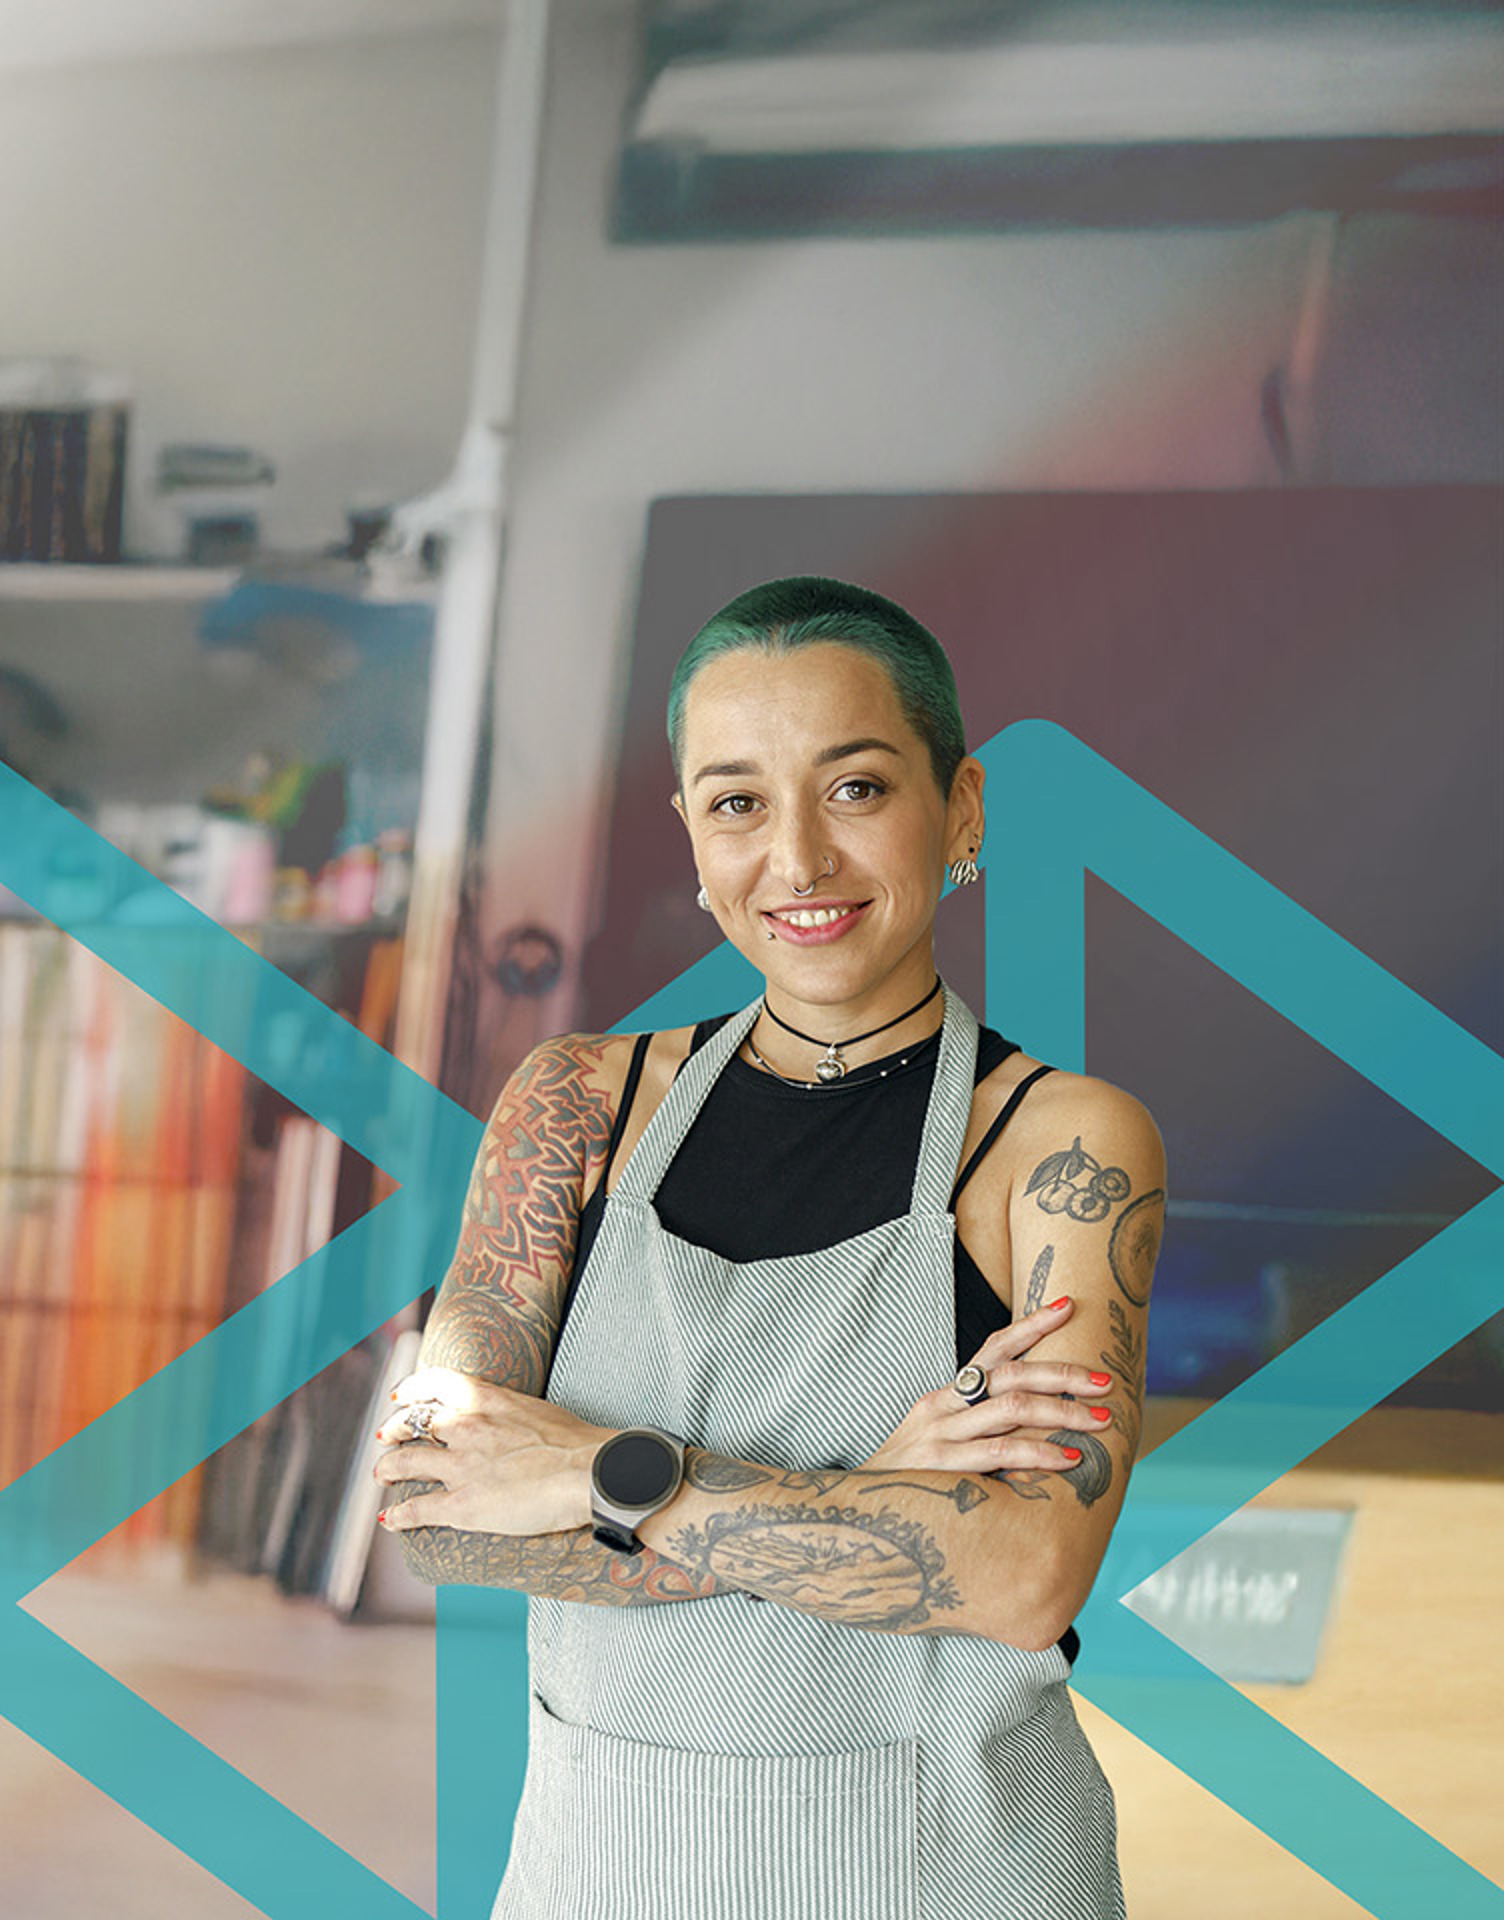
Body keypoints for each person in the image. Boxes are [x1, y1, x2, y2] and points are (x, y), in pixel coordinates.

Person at [373, 576, 1160, 1920]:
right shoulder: (575, 1107)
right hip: (606, 1869)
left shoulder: (1062, 1150)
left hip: (950, 1875)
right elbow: (437, 1514)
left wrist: (595, 1473)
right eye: (738, 801)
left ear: (958, 807)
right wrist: (872, 1499)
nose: (796, 861)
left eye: (855, 788)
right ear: (689, 831)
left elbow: (1025, 1577)